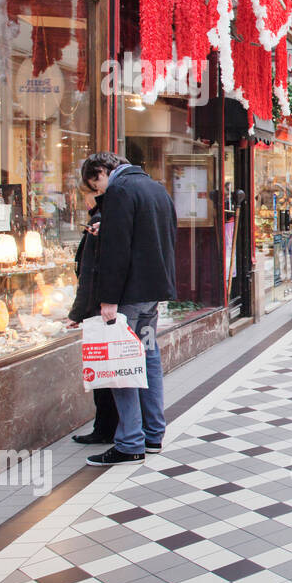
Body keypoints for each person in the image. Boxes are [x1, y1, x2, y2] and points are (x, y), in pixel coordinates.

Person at [80, 151, 177, 466]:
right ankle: (152, 436)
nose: (99, 193)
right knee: (148, 358)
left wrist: (108, 298)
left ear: (103, 171)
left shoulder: (121, 190)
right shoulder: (155, 187)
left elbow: (117, 249)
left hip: (129, 298)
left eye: (96, 185)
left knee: (121, 364)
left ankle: (130, 442)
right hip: (151, 295)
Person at [68, 189, 119, 446]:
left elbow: (89, 271)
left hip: (98, 309)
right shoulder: (110, 217)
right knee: (109, 372)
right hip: (106, 306)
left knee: (103, 372)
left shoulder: (98, 221)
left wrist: (77, 312)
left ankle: (105, 429)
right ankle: (111, 426)